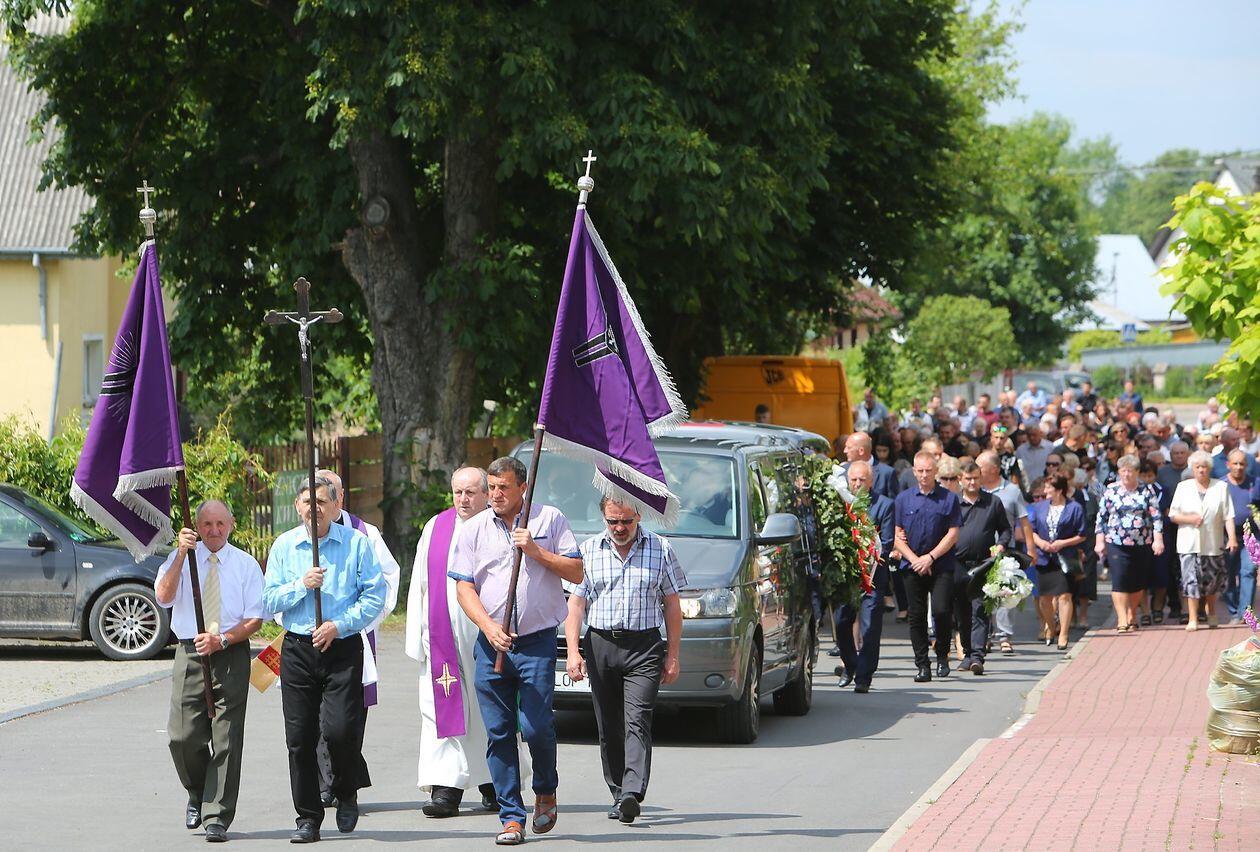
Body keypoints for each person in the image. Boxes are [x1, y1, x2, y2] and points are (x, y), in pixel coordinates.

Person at [450, 456, 583, 847]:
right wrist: (488, 627)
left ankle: (545, 789)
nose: (495, 494)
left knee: (537, 726)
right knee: (499, 732)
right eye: (491, 487)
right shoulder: (474, 529)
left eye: (503, 487)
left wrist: (536, 551)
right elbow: (463, 587)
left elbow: (576, 572)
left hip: (536, 642)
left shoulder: (549, 520)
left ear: (523, 487)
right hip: (492, 643)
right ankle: (511, 816)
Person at [263, 476, 386, 843]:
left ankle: (346, 790)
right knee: (299, 738)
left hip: (341, 647)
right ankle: (307, 817)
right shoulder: (285, 546)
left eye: (321, 501)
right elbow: (268, 600)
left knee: (340, 730)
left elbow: (374, 596)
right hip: (298, 649)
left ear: (335, 506)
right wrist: (301, 585)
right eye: (307, 501)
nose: (313, 508)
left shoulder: (356, 543)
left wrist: (339, 625)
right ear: (297, 506)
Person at [564, 496, 685, 823]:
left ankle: (632, 791)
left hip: (644, 646)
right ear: (603, 517)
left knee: (637, 718)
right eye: (612, 521)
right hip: (601, 643)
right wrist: (573, 651)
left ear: (639, 516)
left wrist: (673, 655)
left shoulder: (660, 549)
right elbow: (576, 605)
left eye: (626, 521)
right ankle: (618, 791)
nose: (619, 528)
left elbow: (672, 605)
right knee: (609, 723)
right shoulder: (589, 550)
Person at [154, 500, 265, 843]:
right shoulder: (182, 560)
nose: (214, 531)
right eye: (206, 524)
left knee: (227, 736)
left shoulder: (245, 564)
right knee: (182, 735)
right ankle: (198, 791)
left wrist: (223, 639)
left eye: (220, 524)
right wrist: (179, 555)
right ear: (196, 527)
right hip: (190, 651)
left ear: (231, 524)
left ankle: (216, 814)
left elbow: (255, 619)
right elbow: (163, 596)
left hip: (229, 651)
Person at [404, 467, 511, 817]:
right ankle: (445, 788)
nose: (463, 499)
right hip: (441, 636)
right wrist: (417, 633)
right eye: (457, 492)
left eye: (470, 492)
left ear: (486, 494)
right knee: (440, 708)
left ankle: (494, 782)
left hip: (485, 634)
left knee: (489, 708)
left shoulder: (500, 526)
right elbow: (420, 583)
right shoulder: (436, 527)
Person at [312, 469, 401, 809]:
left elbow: (387, 580)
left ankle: (343, 778)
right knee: (315, 715)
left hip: (353, 635)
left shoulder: (365, 533)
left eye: (328, 496)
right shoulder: (302, 534)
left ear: (340, 499)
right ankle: (325, 783)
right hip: (311, 637)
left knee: (347, 716)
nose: (320, 505)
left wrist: (363, 622)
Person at [893, 451, 961, 682]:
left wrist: (930, 558)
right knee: (917, 615)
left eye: (928, 471)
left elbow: (953, 534)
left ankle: (942, 655)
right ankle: (922, 664)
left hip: (940, 564)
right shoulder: (903, 499)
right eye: (920, 471)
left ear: (936, 472)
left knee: (941, 611)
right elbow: (897, 536)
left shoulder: (948, 498)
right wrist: (915, 560)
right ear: (914, 472)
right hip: (912, 565)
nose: (924, 475)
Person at [834, 460, 896, 692]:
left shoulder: (885, 505)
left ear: (871, 481)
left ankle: (863, 677)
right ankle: (851, 664)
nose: (857, 483)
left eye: (862, 479)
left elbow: (887, 542)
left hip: (873, 577)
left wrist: (869, 560)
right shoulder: (841, 502)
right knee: (841, 622)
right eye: (854, 479)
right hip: (847, 577)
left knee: (870, 629)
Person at [950, 461, 1011, 675]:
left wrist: (1001, 544)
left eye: (975, 478)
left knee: (980, 610)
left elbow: (1005, 530)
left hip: (983, 564)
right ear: (960, 479)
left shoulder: (993, 502)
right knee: (961, 612)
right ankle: (967, 653)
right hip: (957, 564)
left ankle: (977, 656)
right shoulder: (953, 502)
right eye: (968, 478)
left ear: (981, 478)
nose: (972, 482)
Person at [1169, 451, 1237, 630]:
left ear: (1210, 468)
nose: (1201, 470)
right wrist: (1189, 519)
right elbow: (1173, 515)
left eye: (1204, 467)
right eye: (1197, 467)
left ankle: (1211, 613)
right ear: (1192, 469)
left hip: (1213, 542)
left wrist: (1232, 538)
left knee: (1212, 582)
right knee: (1190, 581)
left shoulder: (1220, 487)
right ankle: (1193, 618)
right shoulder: (1183, 487)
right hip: (1188, 543)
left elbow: (1228, 515)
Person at [1094, 456, 1163, 634]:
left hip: (1142, 542)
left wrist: (1158, 540)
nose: (1126, 474)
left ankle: (1132, 613)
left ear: (1137, 472)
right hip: (1116, 542)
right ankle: (1122, 618)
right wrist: (1100, 541)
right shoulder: (1111, 490)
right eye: (1123, 470)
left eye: (1130, 471)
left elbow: (1156, 517)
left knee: (1137, 582)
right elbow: (1101, 517)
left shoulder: (1146, 490)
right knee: (1119, 579)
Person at [977, 451, 1037, 656]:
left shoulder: (1012, 491)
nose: (977, 471)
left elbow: (1024, 522)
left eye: (981, 467)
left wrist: (1031, 549)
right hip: (980, 551)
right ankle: (984, 635)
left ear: (994, 469)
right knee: (982, 594)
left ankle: (1004, 636)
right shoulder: (974, 489)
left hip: (1005, 550)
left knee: (1005, 593)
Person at [1028, 476, 1086, 651]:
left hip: (1065, 557)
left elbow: (1082, 534)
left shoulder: (1074, 508)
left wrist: (1063, 543)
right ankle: (1051, 626)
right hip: (1044, 558)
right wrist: (1041, 543)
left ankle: (1064, 634)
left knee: (1065, 596)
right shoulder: (1039, 507)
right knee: (1044, 599)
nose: (1045, 491)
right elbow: (1031, 530)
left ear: (1059, 490)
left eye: (1048, 488)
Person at [1156, 441, 1190, 623]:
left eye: (1182, 453)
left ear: (1187, 454)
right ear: (1170, 455)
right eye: (1175, 453)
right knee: (1169, 565)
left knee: (1186, 564)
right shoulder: (1162, 473)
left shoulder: (1193, 471)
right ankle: (1174, 604)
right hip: (1168, 525)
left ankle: (1190, 606)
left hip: (1189, 524)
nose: (1179, 456)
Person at [1223, 450, 1256, 622]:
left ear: (1246, 465)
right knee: (1228, 574)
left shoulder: (1255, 483)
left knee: (1248, 571)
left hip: (1252, 535)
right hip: (1226, 536)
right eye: (1235, 463)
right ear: (1228, 464)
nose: (1238, 467)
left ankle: (1244, 612)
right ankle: (1233, 609)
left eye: (1242, 463)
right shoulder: (1220, 485)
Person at [843, 431, 898, 501]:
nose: (845, 451)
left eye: (849, 447)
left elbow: (892, 503)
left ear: (861, 451)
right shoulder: (843, 471)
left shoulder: (886, 473)